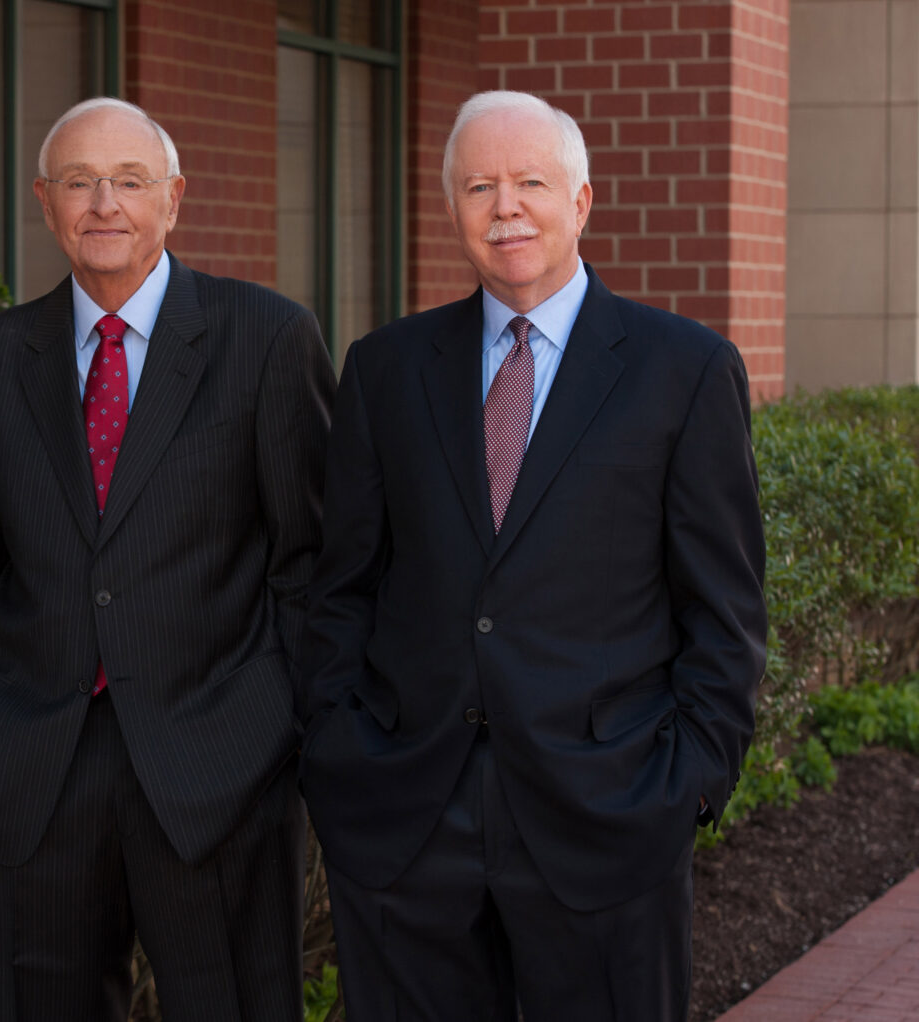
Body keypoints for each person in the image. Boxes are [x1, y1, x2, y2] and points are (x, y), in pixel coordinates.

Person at [299, 90, 768, 1022]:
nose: (504, 207)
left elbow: (725, 610)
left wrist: (687, 785)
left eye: (530, 184)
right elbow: (342, 584)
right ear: (453, 208)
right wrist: (339, 746)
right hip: (406, 816)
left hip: (609, 819)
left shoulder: (684, 369)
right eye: (479, 186)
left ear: (581, 202)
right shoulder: (385, 369)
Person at [0, 96, 334, 1021]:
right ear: (45, 202)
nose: (104, 203)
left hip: (218, 763)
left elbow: (313, 564)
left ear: (173, 198)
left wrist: (273, 728)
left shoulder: (268, 339)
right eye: (80, 182)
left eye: (129, 181)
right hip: (34, 770)